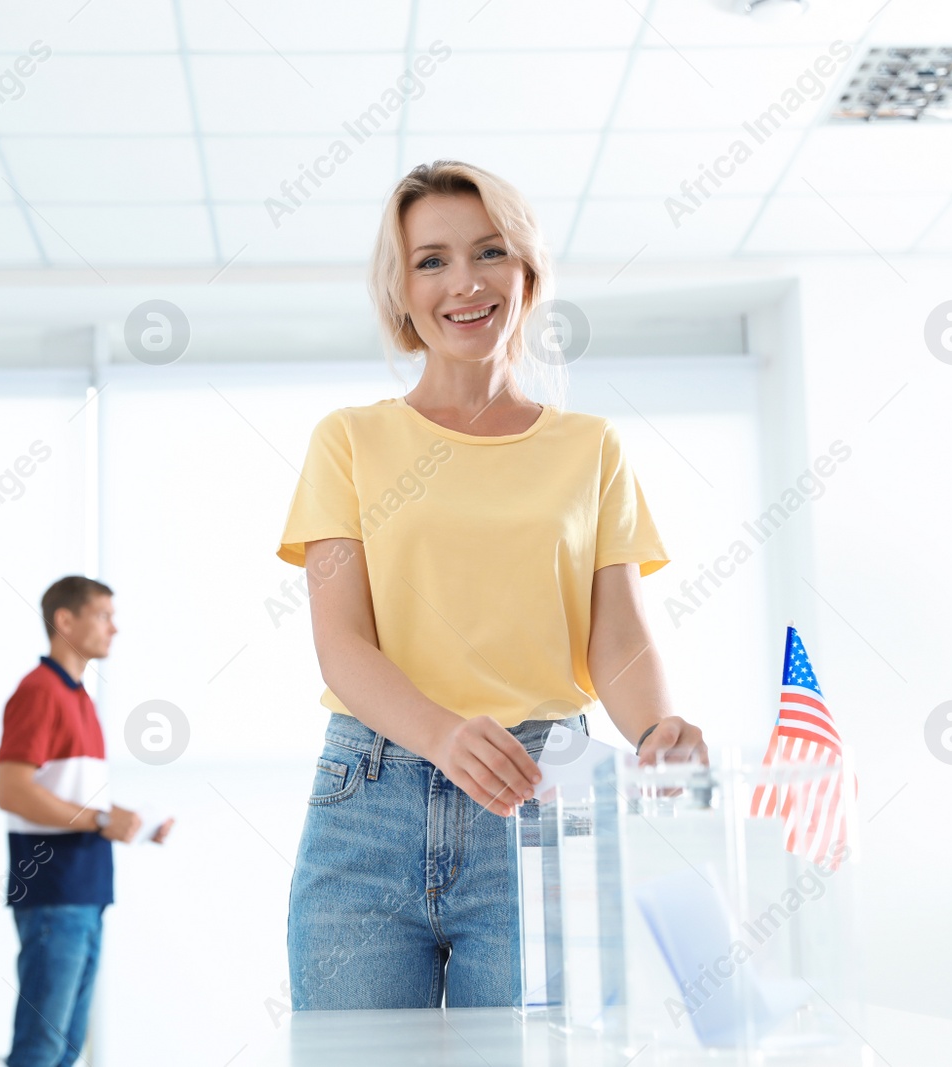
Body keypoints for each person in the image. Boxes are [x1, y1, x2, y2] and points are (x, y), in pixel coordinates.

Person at [277, 160, 709, 1010]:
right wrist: (442, 735)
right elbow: (342, 644)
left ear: (528, 271)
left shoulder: (590, 448)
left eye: (490, 252)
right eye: (432, 260)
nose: (465, 283)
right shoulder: (349, 441)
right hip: (368, 805)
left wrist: (659, 729)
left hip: (545, 802)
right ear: (400, 288)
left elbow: (616, 636)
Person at [0, 576, 173, 1067]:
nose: (114, 628)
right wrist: (99, 818)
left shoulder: (78, 697)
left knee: (66, 1048)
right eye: (103, 615)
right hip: (54, 893)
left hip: (83, 891)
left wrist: (133, 824)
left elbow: (65, 799)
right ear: (65, 620)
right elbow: (11, 791)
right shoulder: (39, 692)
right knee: (41, 1048)